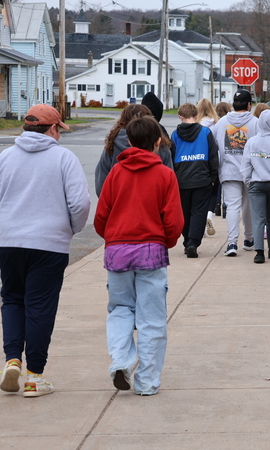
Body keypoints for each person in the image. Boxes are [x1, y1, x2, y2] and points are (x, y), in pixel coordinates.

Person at [0, 104, 91, 397]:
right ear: (52, 129)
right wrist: (71, 229)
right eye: (59, 130)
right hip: (48, 244)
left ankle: (13, 359)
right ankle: (34, 376)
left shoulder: (5, 157)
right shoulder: (64, 158)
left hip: (9, 241)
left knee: (12, 299)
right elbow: (80, 203)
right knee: (40, 305)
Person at [94, 115, 184, 396]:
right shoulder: (165, 174)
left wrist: (113, 239)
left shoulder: (116, 173)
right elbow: (174, 221)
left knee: (120, 309)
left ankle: (121, 361)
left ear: (130, 141)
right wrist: (165, 241)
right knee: (151, 318)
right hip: (151, 251)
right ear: (157, 142)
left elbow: (101, 216)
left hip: (118, 250)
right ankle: (146, 381)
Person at [212, 90, 259, 256]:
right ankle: (249, 238)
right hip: (251, 171)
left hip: (228, 170)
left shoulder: (222, 123)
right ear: (249, 105)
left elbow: (214, 145)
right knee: (248, 207)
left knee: (232, 207)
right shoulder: (255, 123)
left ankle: (232, 243)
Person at [171, 103, 219, 258]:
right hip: (202, 178)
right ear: (197, 116)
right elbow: (213, 156)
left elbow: (171, 158)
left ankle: (187, 240)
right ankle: (193, 242)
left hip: (182, 180)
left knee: (184, 212)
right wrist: (213, 177)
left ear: (180, 116)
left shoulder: (175, 135)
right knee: (198, 212)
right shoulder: (205, 132)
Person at [96, 104, 174, 196]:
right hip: (153, 205)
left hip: (119, 206)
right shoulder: (160, 147)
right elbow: (169, 188)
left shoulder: (111, 148)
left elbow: (101, 186)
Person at [243, 109, 270, 264]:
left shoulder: (252, 142)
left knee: (258, 218)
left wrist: (248, 181)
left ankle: (259, 252)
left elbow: (246, 165)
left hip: (256, 183)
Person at [197, 98, 221, 231]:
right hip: (213, 160)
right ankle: (209, 215)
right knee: (213, 191)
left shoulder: (196, 125)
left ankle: (200, 222)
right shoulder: (216, 124)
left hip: (199, 160)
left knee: (200, 192)